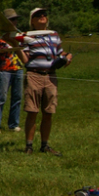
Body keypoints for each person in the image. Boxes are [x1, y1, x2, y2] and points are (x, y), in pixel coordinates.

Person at [22, 8, 72, 155]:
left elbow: (59, 52)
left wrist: (67, 56)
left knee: (48, 112)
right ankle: (29, 146)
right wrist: (16, 46)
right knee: (32, 111)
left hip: (51, 76)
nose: (42, 17)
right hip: (34, 75)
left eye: (44, 15)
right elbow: (25, 59)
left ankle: (45, 145)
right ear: (32, 20)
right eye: (38, 15)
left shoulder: (54, 35)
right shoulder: (26, 36)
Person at [0, 9, 23, 134]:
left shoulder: (19, 34)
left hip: (18, 68)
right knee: (1, 97)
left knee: (17, 97)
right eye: (12, 19)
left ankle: (14, 124)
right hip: (4, 69)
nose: (15, 22)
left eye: (15, 19)